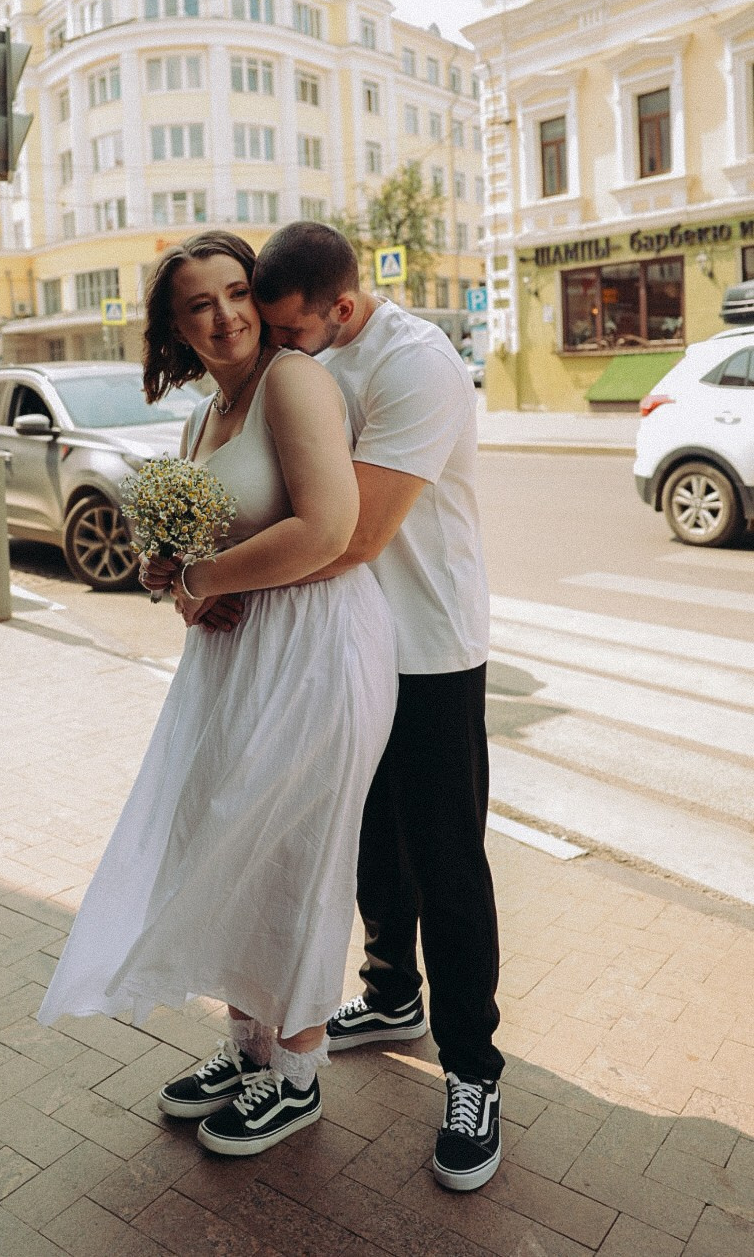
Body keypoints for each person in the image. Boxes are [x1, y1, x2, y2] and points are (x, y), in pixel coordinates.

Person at [37, 230, 398, 1157]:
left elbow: (328, 528)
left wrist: (204, 578)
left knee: (294, 855)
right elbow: (210, 548)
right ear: (176, 326)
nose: (226, 315)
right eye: (199, 304)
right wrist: (176, 576)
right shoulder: (203, 417)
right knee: (223, 839)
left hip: (317, 646)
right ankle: (248, 1051)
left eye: (237, 292)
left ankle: (298, 1076)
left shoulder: (294, 382)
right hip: (238, 656)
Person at [243, 220, 503, 1194]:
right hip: (351, 644)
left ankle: (474, 1070)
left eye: (289, 331)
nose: (279, 348)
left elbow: (352, 536)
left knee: (446, 861)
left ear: (343, 307)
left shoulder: (417, 367)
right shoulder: (312, 360)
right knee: (368, 842)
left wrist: (222, 576)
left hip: (430, 648)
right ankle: (392, 993)